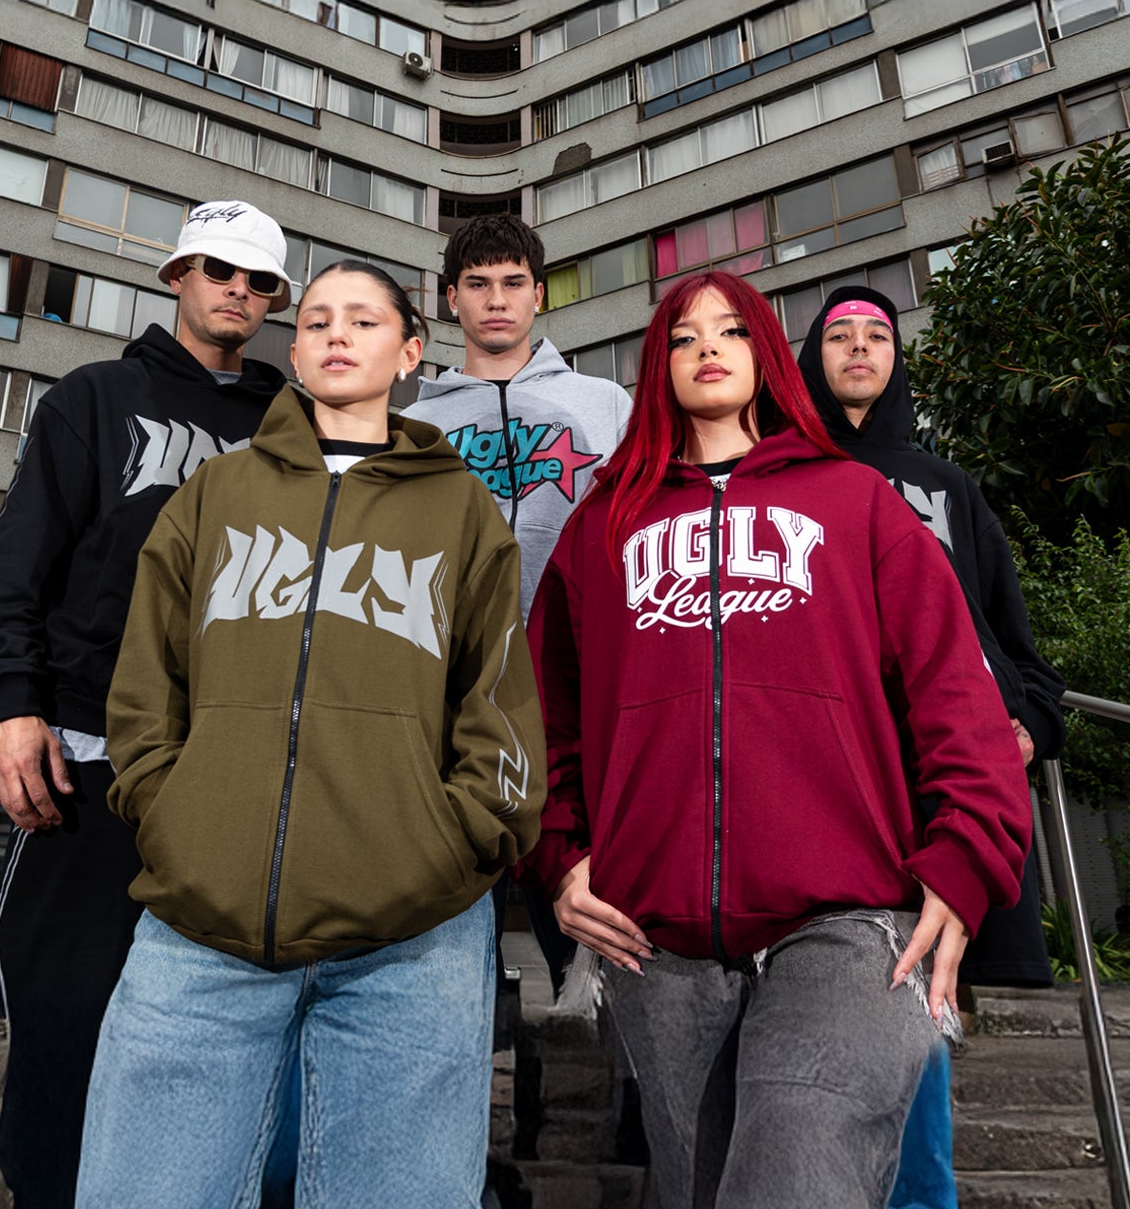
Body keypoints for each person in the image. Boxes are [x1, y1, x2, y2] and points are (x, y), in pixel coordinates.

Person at [524, 270, 1032, 1209]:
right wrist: (560, 856)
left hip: (849, 917)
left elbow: (957, 691)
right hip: (655, 937)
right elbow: (541, 709)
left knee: (801, 1157)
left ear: (765, 355)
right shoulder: (603, 525)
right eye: (683, 337)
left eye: (730, 331)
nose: (706, 349)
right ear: (658, 366)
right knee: (702, 1185)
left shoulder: (854, 500)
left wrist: (966, 859)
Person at [79, 261, 545, 1207]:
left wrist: (450, 842)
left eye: (364, 320)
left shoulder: (459, 508)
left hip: (411, 940)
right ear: (292, 353)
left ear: (409, 353)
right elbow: (146, 684)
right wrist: (176, 817)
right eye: (320, 319)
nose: (338, 333)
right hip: (202, 925)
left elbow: (496, 704)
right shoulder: (214, 492)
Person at [0, 199, 292, 1208]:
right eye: (217, 269)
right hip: (88, 753)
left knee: (228, 1026)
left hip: (234, 769)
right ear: (177, 275)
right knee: (66, 1011)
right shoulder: (95, 399)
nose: (237, 291)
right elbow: (14, 565)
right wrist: (8, 704)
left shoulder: (293, 426)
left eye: (259, 280)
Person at [798, 286, 1069, 1209]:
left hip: (944, 767)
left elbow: (1013, 643)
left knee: (920, 985)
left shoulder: (946, 486)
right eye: (839, 335)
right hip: (836, 766)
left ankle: (921, 1194)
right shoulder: (782, 477)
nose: (859, 348)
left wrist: (1031, 725)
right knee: (862, 976)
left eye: (877, 335)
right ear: (812, 358)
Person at [406, 212, 631, 998]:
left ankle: (593, 1061)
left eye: (512, 283)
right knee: (442, 931)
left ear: (539, 295)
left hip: (571, 696)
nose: (496, 300)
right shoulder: (413, 423)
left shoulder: (606, 405)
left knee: (590, 926)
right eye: (478, 285)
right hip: (448, 700)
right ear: (450, 300)